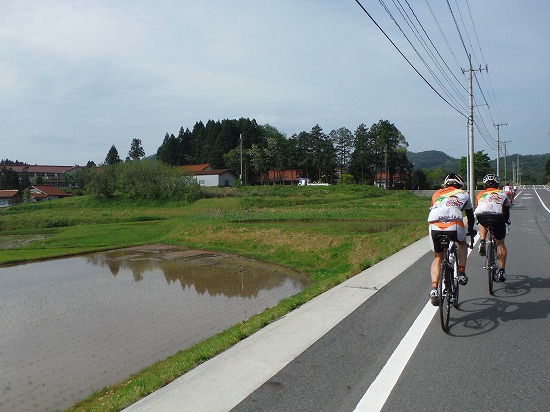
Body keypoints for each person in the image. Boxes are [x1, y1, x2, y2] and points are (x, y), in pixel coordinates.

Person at [427, 173, 475, 305]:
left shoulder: (436, 194)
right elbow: (470, 217)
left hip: (434, 224)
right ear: (460, 184)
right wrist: (471, 231)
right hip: (454, 223)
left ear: (446, 184)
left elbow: (434, 209)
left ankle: (435, 289)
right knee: (462, 243)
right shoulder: (464, 194)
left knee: (438, 257)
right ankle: (461, 273)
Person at [475, 174, 511, 281]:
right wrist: (506, 221)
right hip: (497, 217)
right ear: (497, 184)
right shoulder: (503, 193)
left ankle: (482, 241)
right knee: (500, 243)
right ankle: (501, 271)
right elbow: (506, 211)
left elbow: (479, 208)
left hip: (483, 217)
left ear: (485, 185)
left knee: (480, 221)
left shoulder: (480, 194)